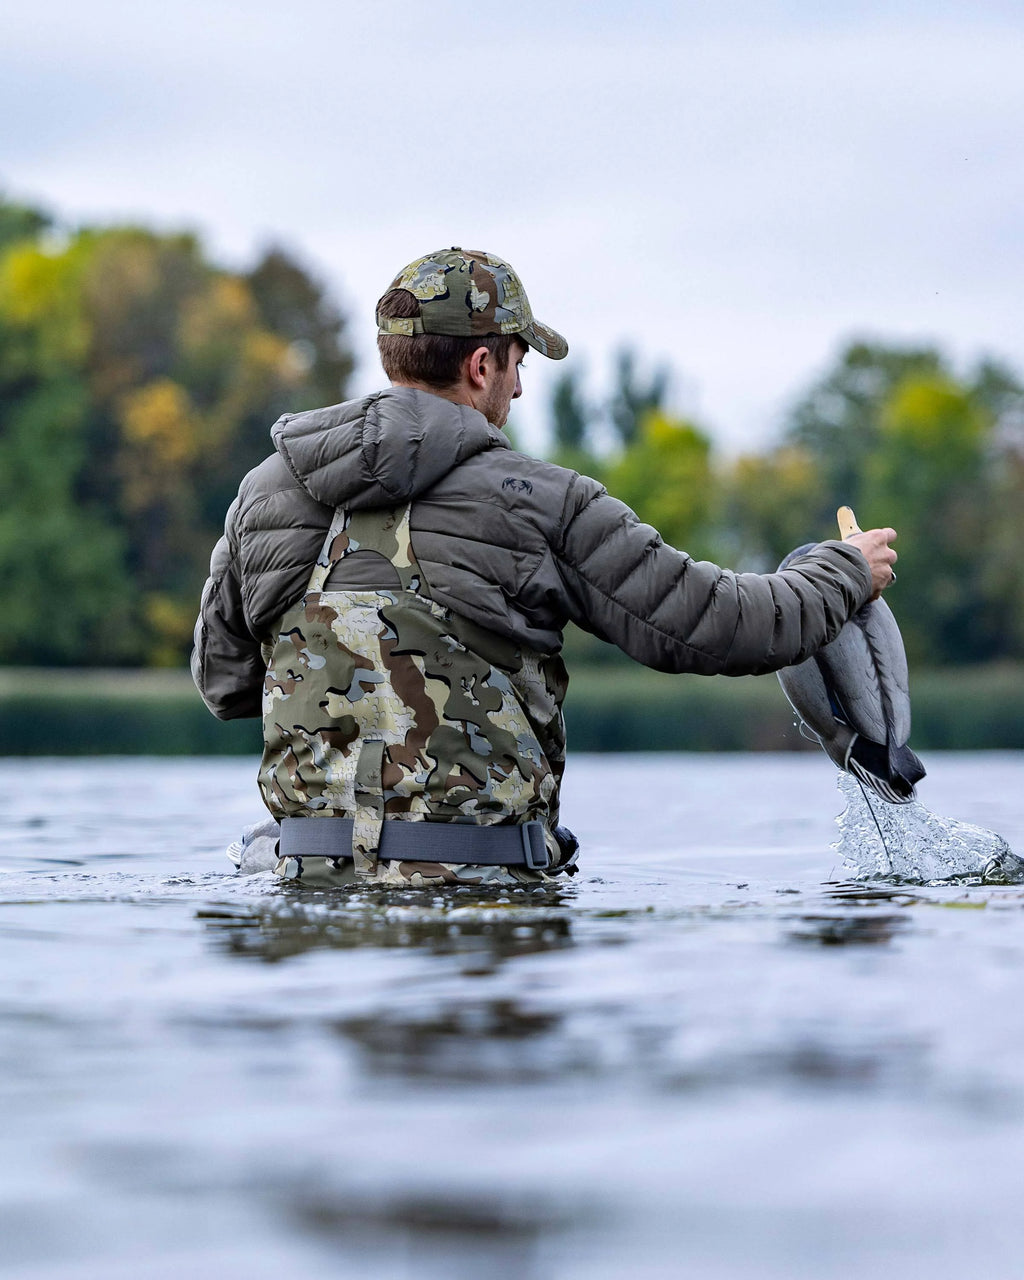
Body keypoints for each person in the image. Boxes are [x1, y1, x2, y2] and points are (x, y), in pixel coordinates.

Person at [193, 247, 897, 888]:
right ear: (481, 367)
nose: (520, 390)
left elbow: (223, 684)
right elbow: (716, 624)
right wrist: (845, 572)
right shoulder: (541, 502)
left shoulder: (263, 495)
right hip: (483, 904)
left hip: (305, 896)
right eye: (518, 365)